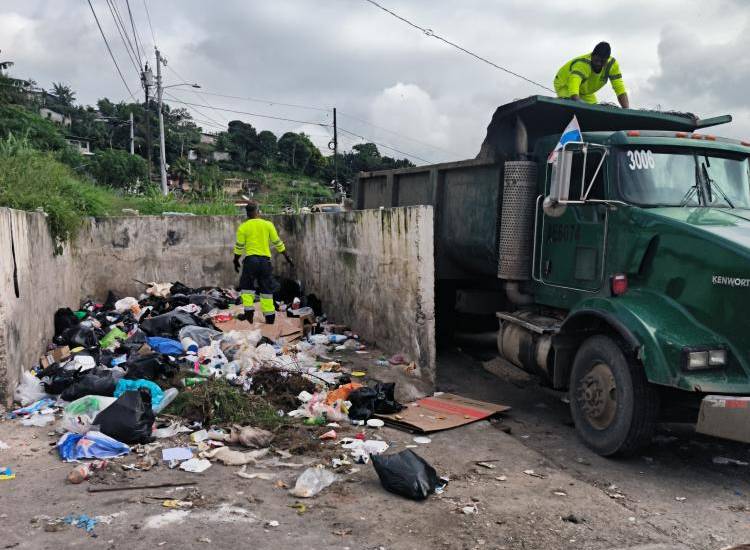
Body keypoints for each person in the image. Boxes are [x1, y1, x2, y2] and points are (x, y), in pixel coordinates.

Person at [232, 201, 293, 324]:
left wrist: (235, 260)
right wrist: (287, 257)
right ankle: (270, 318)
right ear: (258, 211)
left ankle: (249, 316)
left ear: (247, 213)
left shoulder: (243, 227)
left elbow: (239, 247)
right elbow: (277, 242)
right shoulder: (268, 225)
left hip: (250, 261)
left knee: (247, 288)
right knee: (266, 289)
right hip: (265, 261)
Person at [554, 42, 629, 108]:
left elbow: (620, 89)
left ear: (607, 60)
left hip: (585, 91)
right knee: (574, 104)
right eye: (596, 60)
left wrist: (627, 112)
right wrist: (581, 106)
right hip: (565, 84)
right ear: (592, 56)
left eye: (602, 61)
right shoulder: (582, 64)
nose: (598, 64)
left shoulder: (612, 65)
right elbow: (573, 88)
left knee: (594, 109)